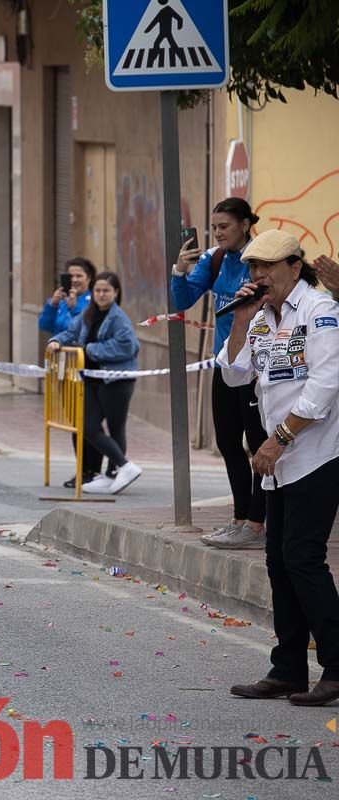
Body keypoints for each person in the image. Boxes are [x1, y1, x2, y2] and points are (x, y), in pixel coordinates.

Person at [219, 230, 339, 707]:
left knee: (303, 558)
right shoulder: (262, 318)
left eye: (268, 266)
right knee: (278, 562)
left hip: (315, 454)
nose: (259, 276)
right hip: (278, 463)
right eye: (253, 268)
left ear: (295, 266)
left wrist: (280, 438)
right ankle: (287, 669)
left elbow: (326, 384)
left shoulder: (321, 311)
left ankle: (335, 667)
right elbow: (234, 374)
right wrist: (240, 321)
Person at [172, 198, 267, 549]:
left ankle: (258, 523)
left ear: (244, 224)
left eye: (224, 226)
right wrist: (180, 271)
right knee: (228, 443)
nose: (217, 232)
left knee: (259, 445)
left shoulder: (261, 261)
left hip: (258, 369)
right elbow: (183, 301)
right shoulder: (214, 259)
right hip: (225, 364)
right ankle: (240, 517)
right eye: (214, 227)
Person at [46, 272, 143, 495]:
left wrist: (89, 350)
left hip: (116, 380)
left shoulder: (119, 318)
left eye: (106, 290)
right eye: (97, 290)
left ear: (115, 293)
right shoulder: (88, 314)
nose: (101, 294)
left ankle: (114, 473)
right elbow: (70, 332)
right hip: (92, 378)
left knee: (116, 426)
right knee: (87, 426)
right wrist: (55, 341)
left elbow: (128, 347)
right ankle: (124, 466)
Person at [38, 258, 105, 488]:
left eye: (79, 276)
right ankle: (82, 469)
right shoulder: (62, 300)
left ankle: (92, 470)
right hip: (63, 369)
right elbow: (45, 324)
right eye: (71, 276)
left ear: (89, 278)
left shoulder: (90, 301)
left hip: (85, 369)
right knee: (74, 422)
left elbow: (76, 329)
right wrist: (53, 305)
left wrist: (72, 306)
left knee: (88, 422)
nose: (75, 280)